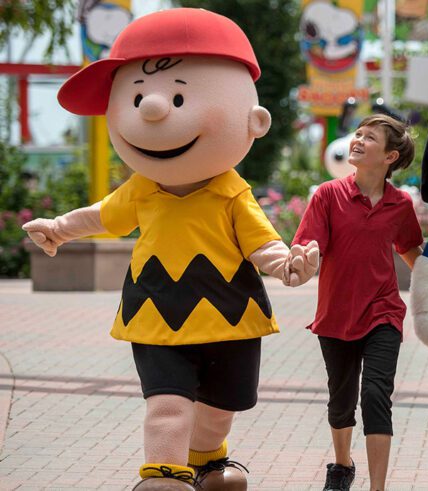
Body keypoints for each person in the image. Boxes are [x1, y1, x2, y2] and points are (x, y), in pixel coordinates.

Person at [21, 9, 319, 490]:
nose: (153, 109)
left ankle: (207, 463)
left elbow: (262, 243)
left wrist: (288, 266)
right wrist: (58, 229)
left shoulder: (230, 192)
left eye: (179, 95)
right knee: (168, 406)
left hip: (230, 315)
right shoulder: (142, 188)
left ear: (254, 120)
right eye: (136, 96)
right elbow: (101, 215)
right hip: (159, 310)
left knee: (222, 408)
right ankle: (163, 474)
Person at [291, 114, 423, 491]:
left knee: (376, 395)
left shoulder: (399, 205)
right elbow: (308, 246)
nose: (358, 141)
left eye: (370, 138)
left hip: (383, 312)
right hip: (335, 314)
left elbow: (411, 250)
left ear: (390, 157)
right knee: (341, 400)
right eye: (358, 134)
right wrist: (301, 262)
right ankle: (342, 465)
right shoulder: (328, 195)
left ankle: (377, 487)